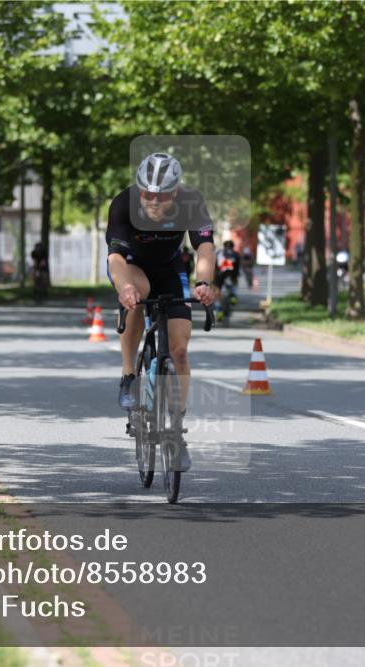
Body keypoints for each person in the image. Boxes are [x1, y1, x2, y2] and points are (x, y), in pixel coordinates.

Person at [106, 152, 216, 471]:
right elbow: (115, 259)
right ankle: (129, 375)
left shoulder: (191, 202)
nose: (153, 200)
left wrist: (205, 281)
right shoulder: (124, 204)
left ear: (176, 192)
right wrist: (125, 288)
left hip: (170, 268)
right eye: (148, 193)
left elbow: (205, 247)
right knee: (138, 296)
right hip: (131, 267)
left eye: (162, 195)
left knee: (180, 350)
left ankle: (175, 432)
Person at [214, 239, 241, 320]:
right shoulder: (236, 254)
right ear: (233, 247)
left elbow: (215, 266)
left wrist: (214, 280)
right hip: (230, 274)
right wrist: (235, 278)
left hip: (219, 275)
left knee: (218, 293)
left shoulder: (219, 253)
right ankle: (233, 296)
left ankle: (218, 310)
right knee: (233, 285)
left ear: (224, 246)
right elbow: (237, 268)